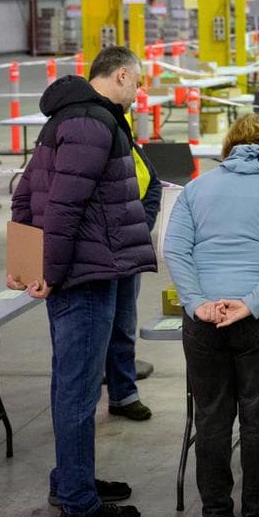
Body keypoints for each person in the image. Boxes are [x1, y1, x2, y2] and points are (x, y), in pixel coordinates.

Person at [10, 45, 156, 517]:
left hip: (78, 270)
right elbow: (64, 207)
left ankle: (71, 480)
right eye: (137, 83)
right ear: (119, 76)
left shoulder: (64, 120)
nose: (139, 93)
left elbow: (25, 193)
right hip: (86, 275)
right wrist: (46, 271)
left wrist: (26, 262)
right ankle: (79, 503)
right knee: (77, 391)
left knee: (69, 384)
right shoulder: (95, 125)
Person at [163, 114, 259, 517]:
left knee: (211, 420)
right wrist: (251, 304)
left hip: (205, 321)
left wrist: (198, 303)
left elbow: (175, 249)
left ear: (227, 148)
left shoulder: (196, 188)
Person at [106, 110, 163, 423]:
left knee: (124, 325)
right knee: (98, 329)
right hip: (94, 256)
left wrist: (141, 227)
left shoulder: (126, 141)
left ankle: (123, 394)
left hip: (128, 252)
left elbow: (153, 184)